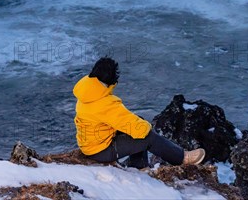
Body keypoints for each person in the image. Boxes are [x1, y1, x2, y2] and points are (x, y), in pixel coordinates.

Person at [73, 57, 205, 168]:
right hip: (100, 151)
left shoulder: (88, 91)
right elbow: (138, 130)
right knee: (147, 136)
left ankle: (138, 166)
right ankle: (183, 158)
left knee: (138, 121)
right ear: (113, 80)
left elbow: (119, 119)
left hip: (91, 143)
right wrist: (146, 126)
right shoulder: (105, 103)